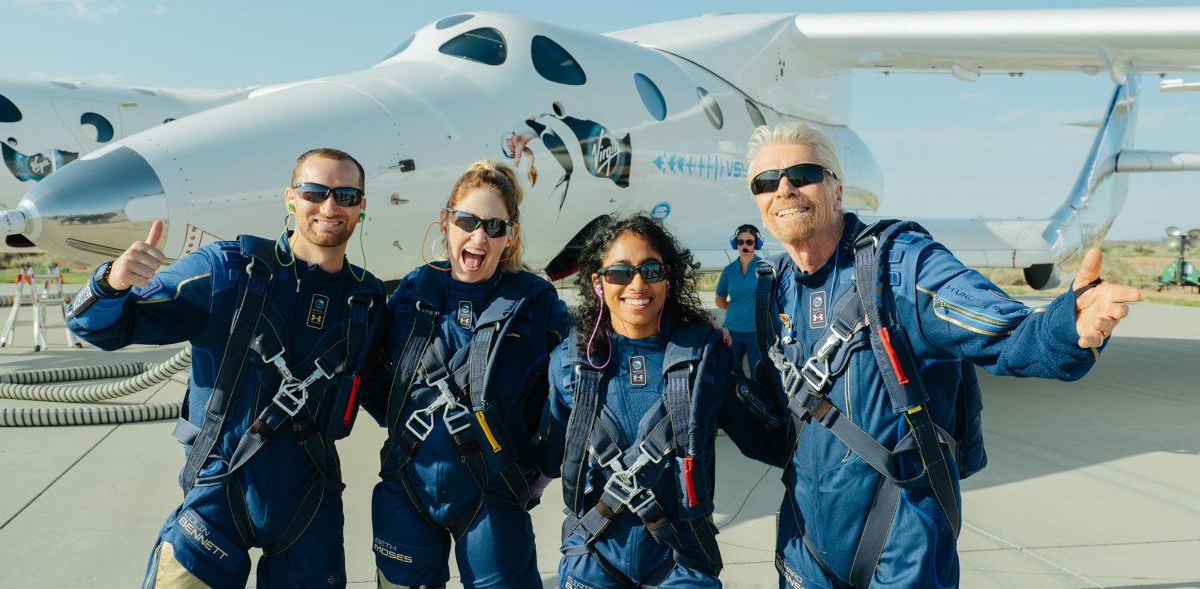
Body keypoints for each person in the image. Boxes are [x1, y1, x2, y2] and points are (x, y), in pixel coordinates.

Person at [743, 122, 1142, 589]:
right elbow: (780, 428)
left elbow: (1006, 334)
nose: (784, 189)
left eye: (802, 173)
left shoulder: (901, 267)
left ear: (837, 188)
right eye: (766, 182)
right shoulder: (776, 291)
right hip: (807, 549)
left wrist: (1065, 327)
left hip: (901, 545)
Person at [67, 148, 386, 588]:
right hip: (218, 494)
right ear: (291, 198)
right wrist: (111, 283)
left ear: (361, 207)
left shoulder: (365, 302)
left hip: (310, 499)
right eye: (315, 192)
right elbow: (97, 326)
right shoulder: (228, 272)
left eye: (346, 195)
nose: (330, 207)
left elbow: (389, 395)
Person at [541, 213, 784, 588]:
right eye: (620, 272)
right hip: (594, 554)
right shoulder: (570, 363)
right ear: (598, 283)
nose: (637, 284)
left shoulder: (705, 358)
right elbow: (549, 451)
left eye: (651, 270)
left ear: (667, 279)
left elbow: (768, 438)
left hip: (681, 561)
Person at [362, 160, 570, 589]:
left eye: (494, 226)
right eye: (467, 221)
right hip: (409, 483)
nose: (479, 237)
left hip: (493, 491)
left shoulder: (536, 302)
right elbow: (369, 368)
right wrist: (397, 418)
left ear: (510, 234)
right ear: (446, 221)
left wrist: (546, 470)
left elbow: (572, 384)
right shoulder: (414, 290)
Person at [715, 223, 764, 376]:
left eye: (749, 242)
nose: (744, 245)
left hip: (757, 332)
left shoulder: (765, 268)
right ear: (735, 244)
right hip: (731, 331)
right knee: (731, 372)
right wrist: (738, 308)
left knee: (758, 373)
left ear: (756, 244)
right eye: (740, 242)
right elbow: (719, 299)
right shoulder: (728, 270)